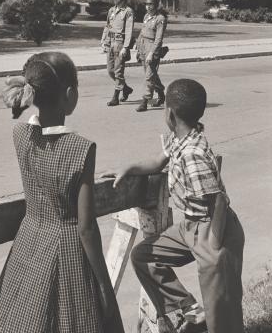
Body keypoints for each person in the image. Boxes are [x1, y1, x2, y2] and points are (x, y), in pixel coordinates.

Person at [0, 52, 124, 333]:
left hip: (29, 241)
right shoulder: (81, 149)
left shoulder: (20, 134)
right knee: (73, 321)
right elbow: (86, 228)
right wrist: (105, 286)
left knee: (27, 317)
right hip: (68, 248)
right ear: (70, 95)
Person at [101, 79, 245, 333]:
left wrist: (212, 248)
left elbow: (219, 201)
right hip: (191, 226)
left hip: (215, 229)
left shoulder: (193, 153)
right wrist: (128, 168)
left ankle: (213, 321)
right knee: (144, 257)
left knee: (223, 318)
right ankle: (190, 310)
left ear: (169, 113)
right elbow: (157, 163)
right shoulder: (179, 138)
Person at [101, 0, 134, 107]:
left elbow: (129, 30)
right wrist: (104, 41)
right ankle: (125, 88)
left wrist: (126, 47)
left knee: (118, 72)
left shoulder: (128, 11)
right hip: (111, 42)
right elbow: (107, 26)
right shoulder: (111, 10)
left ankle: (115, 97)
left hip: (120, 43)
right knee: (110, 70)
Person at [136, 0, 167, 112]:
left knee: (149, 77)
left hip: (152, 48)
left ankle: (145, 101)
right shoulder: (146, 16)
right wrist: (139, 48)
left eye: (151, 4)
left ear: (156, 5)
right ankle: (161, 92)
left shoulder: (160, 19)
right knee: (151, 74)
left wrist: (151, 53)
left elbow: (158, 39)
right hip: (143, 46)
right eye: (147, 4)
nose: (148, 7)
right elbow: (142, 32)